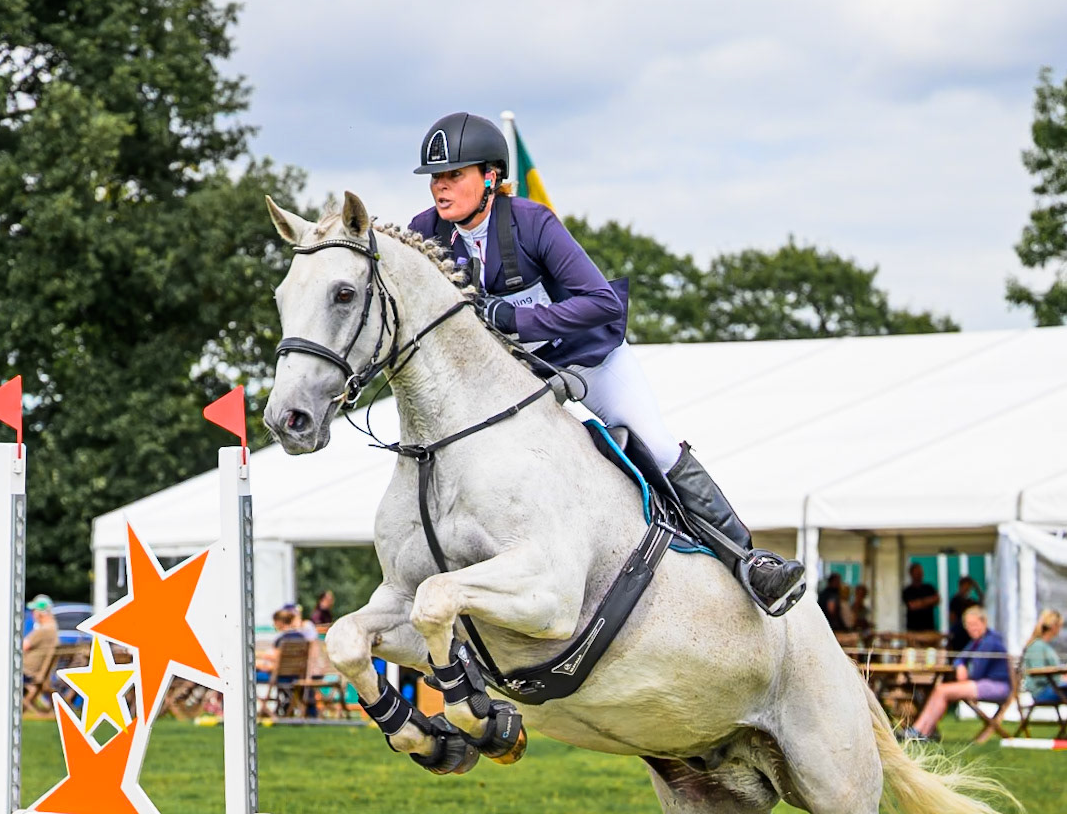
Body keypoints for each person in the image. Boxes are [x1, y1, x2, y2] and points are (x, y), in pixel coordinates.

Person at [408, 111, 805, 618]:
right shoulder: (426, 232)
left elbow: (602, 302)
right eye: (436, 178)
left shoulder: (532, 222)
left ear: (490, 177)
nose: (440, 188)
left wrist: (517, 319)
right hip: (516, 380)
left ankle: (750, 563)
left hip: (586, 360)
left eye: (454, 175)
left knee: (655, 443)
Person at [903, 606, 1010, 742]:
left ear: (984, 622)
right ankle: (921, 731)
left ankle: (920, 731)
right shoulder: (978, 641)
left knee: (942, 690)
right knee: (940, 690)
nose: (971, 628)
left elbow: (977, 672)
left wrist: (964, 673)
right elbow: (959, 657)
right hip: (983, 683)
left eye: (974, 624)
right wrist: (960, 665)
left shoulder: (990, 641)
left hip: (997, 686)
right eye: (968, 625)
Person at [1022, 609, 1066, 705]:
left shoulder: (1044, 645)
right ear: (1054, 626)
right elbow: (1039, 675)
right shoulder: (1037, 646)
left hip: (1052, 687)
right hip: (1042, 692)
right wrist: (1060, 679)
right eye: (1060, 626)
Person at [22, 594, 59, 703]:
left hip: (28, 671)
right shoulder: (53, 629)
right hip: (37, 671)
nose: (32, 614)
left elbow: (22, 647)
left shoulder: (43, 631)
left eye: (34, 610)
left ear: (40, 613)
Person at [947, 576, 984, 651]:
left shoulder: (970, 602)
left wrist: (976, 587)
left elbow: (982, 602)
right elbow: (952, 618)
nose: (967, 589)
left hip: (968, 634)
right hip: (958, 633)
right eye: (966, 586)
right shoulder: (955, 600)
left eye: (969, 587)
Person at [901, 563, 940, 633]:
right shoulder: (907, 591)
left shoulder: (929, 588)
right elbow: (912, 605)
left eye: (921, 572)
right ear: (911, 574)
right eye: (917, 572)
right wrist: (929, 601)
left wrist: (920, 603)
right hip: (913, 630)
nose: (919, 574)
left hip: (929, 629)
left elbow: (937, 599)